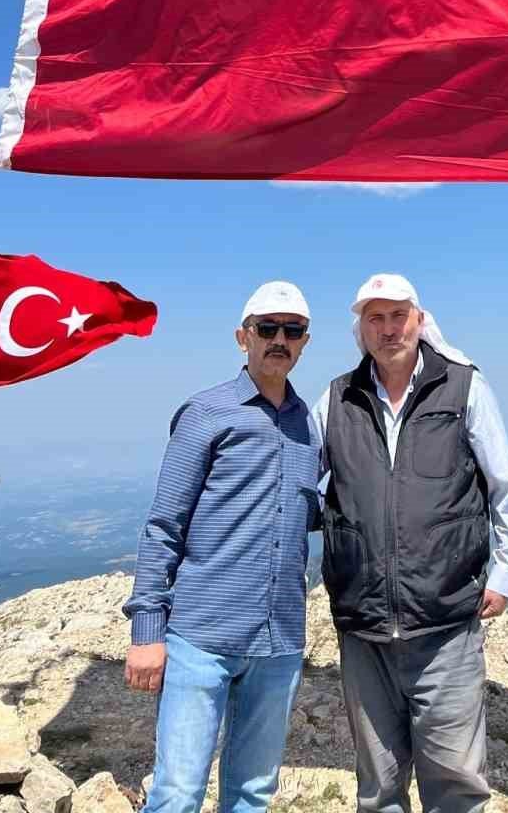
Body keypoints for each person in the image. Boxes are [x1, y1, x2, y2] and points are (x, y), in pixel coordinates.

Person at [313, 273, 508, 813]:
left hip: (445, 626)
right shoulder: (337, 398)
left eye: (398, 316)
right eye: (375, 318)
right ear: (360, 330)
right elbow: (299, 483)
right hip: (363, 629)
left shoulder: (463, 387)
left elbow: (506, 488)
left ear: (419, 320)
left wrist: (506, 574)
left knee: (455, 781)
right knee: (378, 787)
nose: (388, 330)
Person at [123, 282, 318, 813]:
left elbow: (309, 514)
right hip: (200, 639)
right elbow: (164, 525)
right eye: (267, 328)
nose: (280, 339)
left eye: (292, 330)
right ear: (243, 337)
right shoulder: (206, 413)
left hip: (278, 643)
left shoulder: (310, 426)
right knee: (177, 794)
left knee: (252, 794)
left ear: (305, 341)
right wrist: (146, 632)